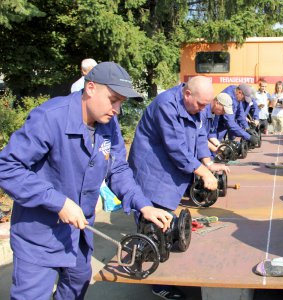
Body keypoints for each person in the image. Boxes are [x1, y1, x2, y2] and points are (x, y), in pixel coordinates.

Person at [0, 62, 173, 300]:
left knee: (78, 285)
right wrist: (57, 202)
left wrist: (143, 205)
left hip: (78, 235)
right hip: (39, 238)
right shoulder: (50, 118)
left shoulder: (108, 124)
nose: (117, 109)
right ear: (90, 88)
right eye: (113, 99)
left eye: (121, 102)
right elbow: (7, 167)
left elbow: (118, 169)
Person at [128, 76, 230, 300]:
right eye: (200, 105)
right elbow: (176, 147)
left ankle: (157, 264)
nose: (203, 109)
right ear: (187, 94)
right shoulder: (166, 105)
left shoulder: (197, 105)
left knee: (165, 224)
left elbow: (201, 135)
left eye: (206, 104)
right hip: (152, 169)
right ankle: (154, 281)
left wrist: (208, 162)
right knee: (152, 227)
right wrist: (203, 173)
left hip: (170, 167)